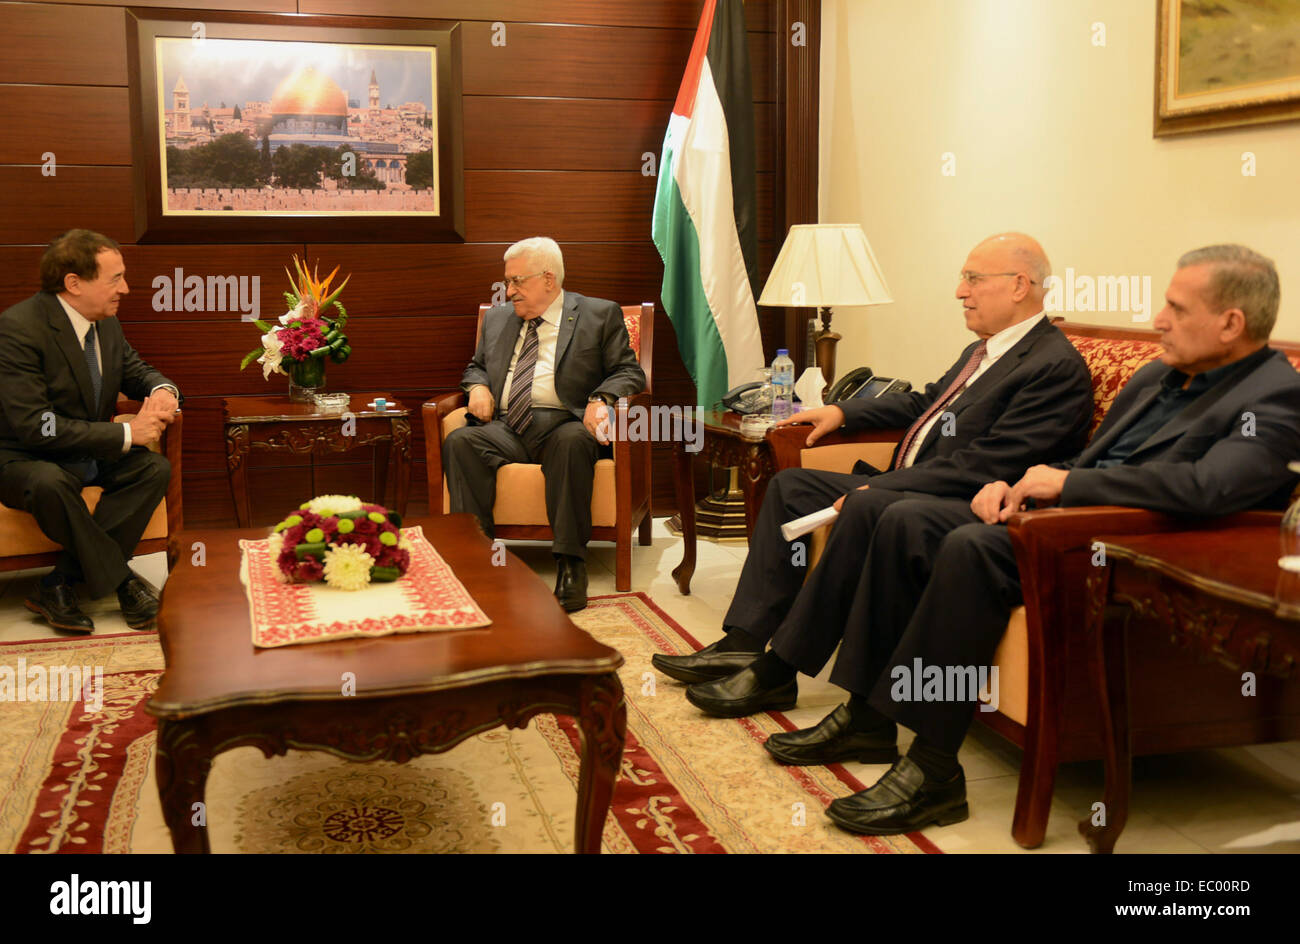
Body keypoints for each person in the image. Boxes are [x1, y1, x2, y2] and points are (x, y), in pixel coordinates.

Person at [758, 244, 1300, 837]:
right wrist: (1015, 483)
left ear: (1231, 323)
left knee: (969, 548)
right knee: (901, 518)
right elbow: (1087, 455)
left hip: (1117, 547)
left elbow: (1210, 487)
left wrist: (1069, 486)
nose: (1158, 322)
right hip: (1061, 515)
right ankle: (866, 714)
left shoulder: (1273, 394)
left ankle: (935, 769)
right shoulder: (1156, 377)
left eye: (1175, 308)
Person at [653, 233, 1095, 711]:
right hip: (910, 485)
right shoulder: (987, 350)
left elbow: (985, 466)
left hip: (957, 501)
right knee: (791, 486)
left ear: (1018, 285)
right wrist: (843, 412)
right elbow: (928, 402)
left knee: (866, 502)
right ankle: (743, 640)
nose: (959, 292)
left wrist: (882, 484)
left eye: (972, 279)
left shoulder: (1053, 366)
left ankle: (781, 671)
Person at [444, 237, 646, 612]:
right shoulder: (499, 318)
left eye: (518, 281)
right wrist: (477, 385)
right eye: (507, 282)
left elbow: (629, 372)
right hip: (507, 425)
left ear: (548, 280)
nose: (509, 291)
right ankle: (478, 558)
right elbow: (476, 365)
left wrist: (601, 399)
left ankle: (571, 565)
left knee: (572, 444)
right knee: (461, 441)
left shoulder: (599, 314)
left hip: (565, 422)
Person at [0, 230, 180, 633]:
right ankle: (124, 581)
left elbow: (136, 371)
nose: (126, 289)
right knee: (49, 482)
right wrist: (127, 433)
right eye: (115, 278)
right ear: (73, 283)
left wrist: (163, 391)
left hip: (87, 455)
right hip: (24, 458)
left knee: (153, 470)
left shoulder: (105, 324)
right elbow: (36, 427)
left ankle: (59, 582)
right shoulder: (18, 330)